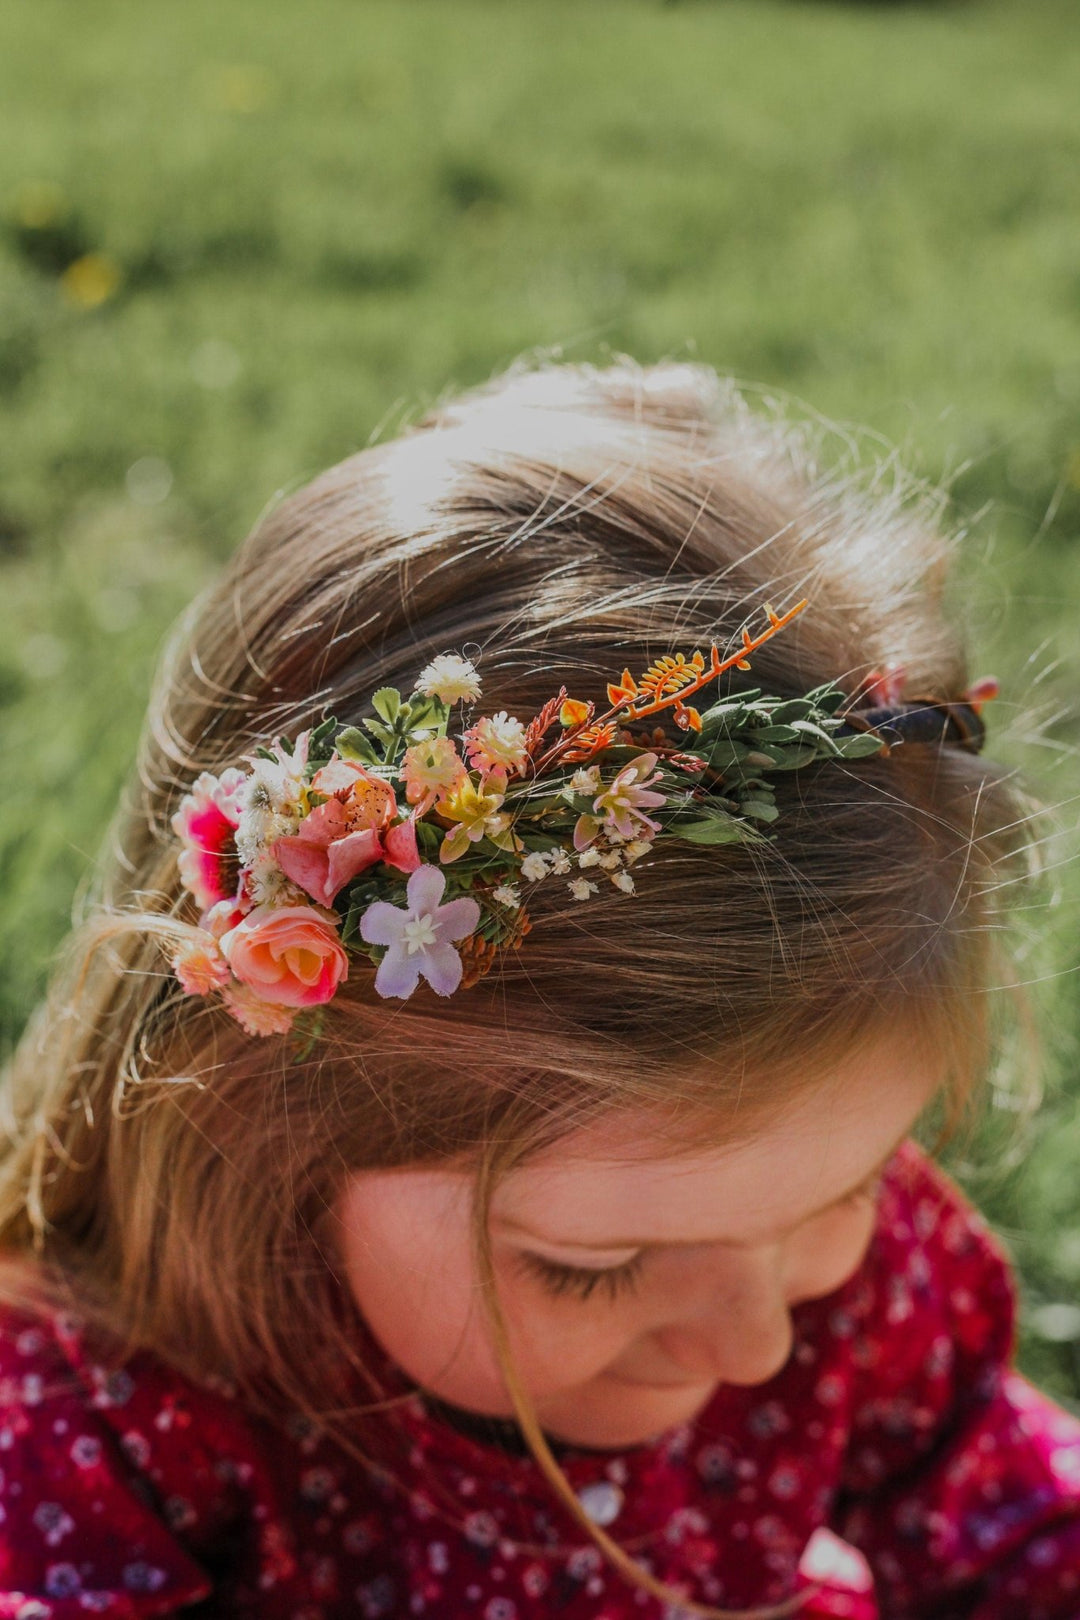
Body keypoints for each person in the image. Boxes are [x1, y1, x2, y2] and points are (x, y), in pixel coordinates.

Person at [0, 359, 1077, 1620]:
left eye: (846, 1190)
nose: (755, 1345)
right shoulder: (101, 1433)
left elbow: (1016, 1523)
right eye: (595, 1265)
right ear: (258, 1117)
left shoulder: (829, 1263)